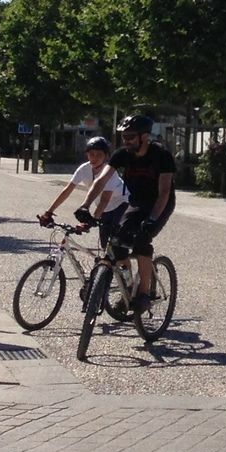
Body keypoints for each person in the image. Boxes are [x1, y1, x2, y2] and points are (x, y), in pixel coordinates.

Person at [109, 114, 176, 311]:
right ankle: (129, 289)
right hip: (137, 203)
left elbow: (164, 192)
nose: (126, 141)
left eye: (130, 136)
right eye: (123, 137)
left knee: (141, 240)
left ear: (144, 136)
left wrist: (152, 219)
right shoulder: (123, 155)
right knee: (117, 244)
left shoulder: (161, 155)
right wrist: (86, 206)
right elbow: (102, 179)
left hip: (159, 204)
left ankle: (145, 293)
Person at [39, 136, 128, 236]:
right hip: (105, 209)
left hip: (122, 204)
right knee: (104, 245)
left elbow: (105, 199)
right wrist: (49, 212)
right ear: (87, 154)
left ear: (106, 156)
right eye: (91, 154)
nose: (94, 157)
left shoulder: (110, 172)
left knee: (114, 241)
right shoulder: (84, 169)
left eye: (99, 155)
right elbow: (67, 190)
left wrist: (89, 222)